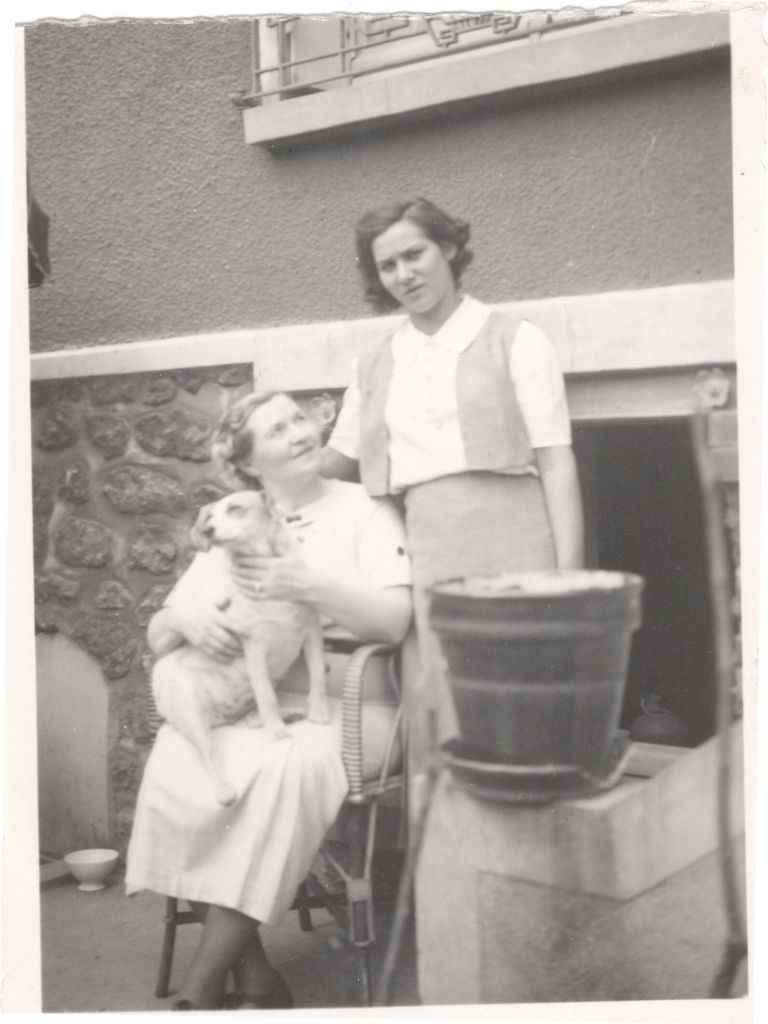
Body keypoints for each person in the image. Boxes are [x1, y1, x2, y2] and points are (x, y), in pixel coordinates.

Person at [125, 391, 412, 1011]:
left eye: (300, 419)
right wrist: (188, 617)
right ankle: (254, 974)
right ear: (249, 464)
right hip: (255, 701)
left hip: (354, 705)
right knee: (178, 760)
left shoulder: (364, 510)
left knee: (280, 764)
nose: (301, 433)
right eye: (278, 430)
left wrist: (308, 584)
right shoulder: (237, 519)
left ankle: (201, 987)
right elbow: (160, 632)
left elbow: (395, 621)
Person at [322, 197, 585, 782]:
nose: (404, 275)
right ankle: (446, 844)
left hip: (517, 549)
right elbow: (339, 460)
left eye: (414, 254)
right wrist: (259, 464)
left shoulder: (515, 339)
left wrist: (569, 581)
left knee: (522, 709)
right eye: (388, 266)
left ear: (447, 248)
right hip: (428, 556)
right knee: (441, 720)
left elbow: (556, 462)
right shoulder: (376, 363)